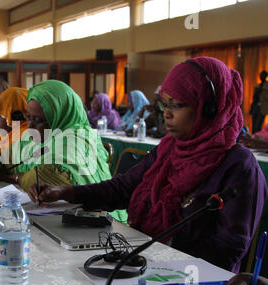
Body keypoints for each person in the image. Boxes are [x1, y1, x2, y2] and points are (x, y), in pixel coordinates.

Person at [26, 57, 268, 273]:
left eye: (177, 105)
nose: (166, 114)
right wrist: (65, 193)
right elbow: (123, 188)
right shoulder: (169, 149)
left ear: (208, 108)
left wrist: (157, 257)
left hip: (193, 280)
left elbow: (226, 251)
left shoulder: (239, 166)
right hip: (145, 262)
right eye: (164, 104)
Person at [0, 80, 112, 193]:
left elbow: (47, 178)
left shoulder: (78, 139)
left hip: (94, 224)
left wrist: (13, 177)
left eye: (38, 120)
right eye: (29, 117)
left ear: (58, 117)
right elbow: (3, 157)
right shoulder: (35, 137)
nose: (30, 126)